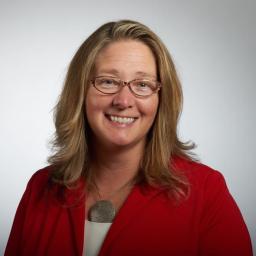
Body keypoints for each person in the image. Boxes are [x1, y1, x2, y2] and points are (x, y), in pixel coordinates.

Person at [5, 20, 252, 256]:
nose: (123, 101)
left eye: (142, 84)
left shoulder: (206, 192)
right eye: (108, 81)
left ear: (161, 98)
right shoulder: (40, 188)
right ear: (80, 92)